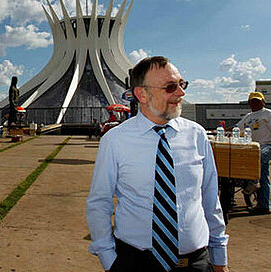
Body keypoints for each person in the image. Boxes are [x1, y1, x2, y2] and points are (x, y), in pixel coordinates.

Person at [87, 56, 229, 272]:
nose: (181, 93)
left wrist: (219, 258)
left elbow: (210, 199)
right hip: (136, 263)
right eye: (170, 87)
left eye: (182, 84)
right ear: (142, 94)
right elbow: (100, 202)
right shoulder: (115, 140)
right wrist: (110, 261)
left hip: (195, 263)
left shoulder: (196, 135)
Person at [237, 91, 271, 215]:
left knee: (261, 167)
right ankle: (248, 182)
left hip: (266, 145)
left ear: (263, 102)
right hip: (251, 147)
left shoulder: (268, 114)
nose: (255, 103)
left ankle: (264, 204)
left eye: (257, 100)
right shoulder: (248, 116)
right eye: (252, 101)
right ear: (249, 103)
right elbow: (237, 128)